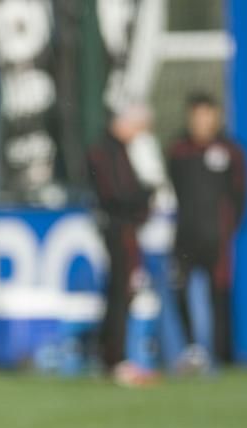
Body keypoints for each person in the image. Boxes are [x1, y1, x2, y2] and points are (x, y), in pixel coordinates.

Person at [166, 92, 247, 369]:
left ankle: (222, 356)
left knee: (219, 296)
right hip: (186, 235)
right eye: (196, 116)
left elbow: (240, 195)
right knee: (180, 291)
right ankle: (190, 352)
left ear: (215, 117)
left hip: (217, 238)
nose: (201, 122)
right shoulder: (179, 150)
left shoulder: (230, 151)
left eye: (205, 115)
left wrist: (226, 227)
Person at [86, 104, 159, 385]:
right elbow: (117, 193)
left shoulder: (111, 149)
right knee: (120, 292)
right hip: (119, 228)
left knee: (120, 292)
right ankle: (114, 358)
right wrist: (145, 196)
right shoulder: (108, 151)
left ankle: (112, 356)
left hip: (120, 226)